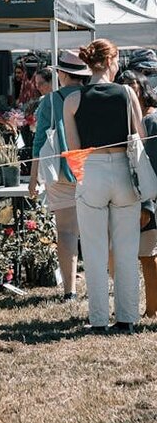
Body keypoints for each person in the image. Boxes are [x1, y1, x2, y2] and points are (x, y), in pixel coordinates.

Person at [63, 39, 144, 334]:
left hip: (92, 171)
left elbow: (73, 151)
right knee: (126, 250)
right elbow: (142, 137)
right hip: (124, 170)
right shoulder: (126, 93)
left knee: (95, 252)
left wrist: (83, 181)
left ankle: (98, 320)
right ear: (112, 61)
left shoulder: (72, 100)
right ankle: (127, 318)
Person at [29, 50, 90, 300]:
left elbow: (38, 141)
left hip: (60, 172)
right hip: (90, 169)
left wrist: (33, 178)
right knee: (98, 230)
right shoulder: (92, 96)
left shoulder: (51, 101)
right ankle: (106, 283)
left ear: (62, 74)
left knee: (65, 232)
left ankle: (69, 291)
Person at [118, 70, 157, 318]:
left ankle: (152, 309)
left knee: (147, 255)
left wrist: (147, 204)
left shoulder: (149, 122)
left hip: (150, 198)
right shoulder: (140, 120)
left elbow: (149, 167)